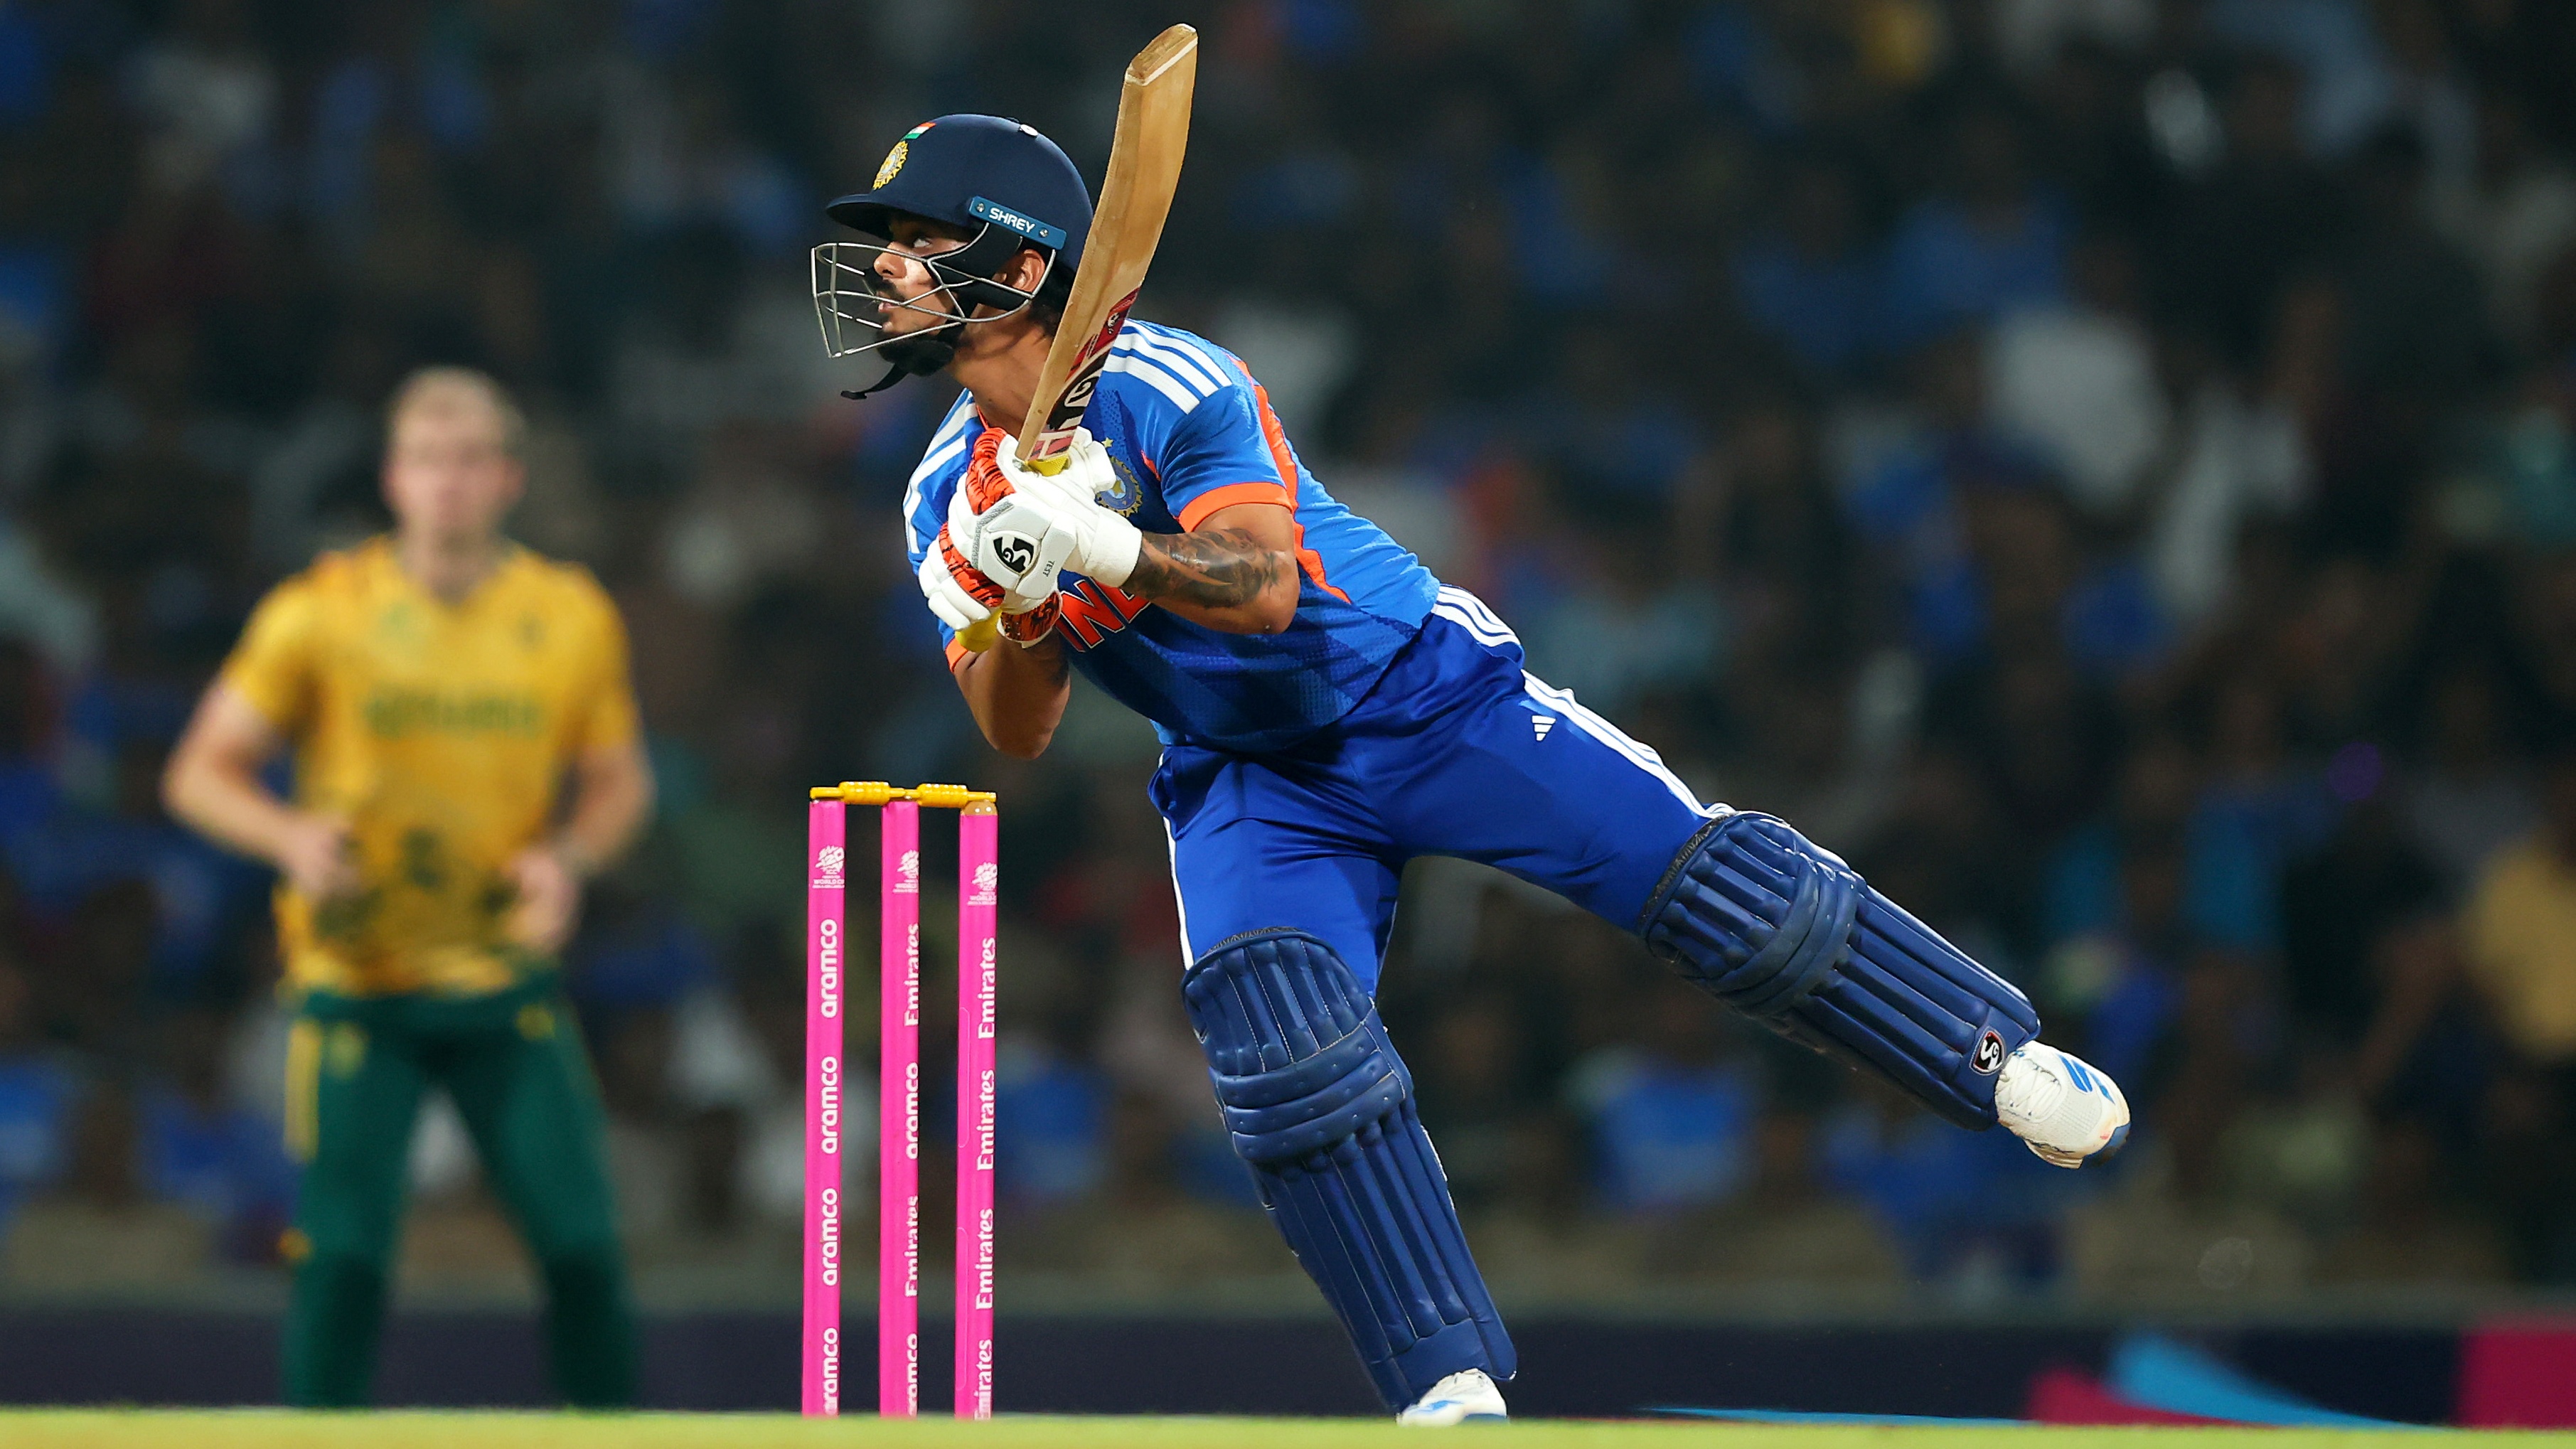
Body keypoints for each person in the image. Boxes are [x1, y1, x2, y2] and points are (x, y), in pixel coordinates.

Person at [812, 114, 2130, 1425]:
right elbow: (1014, 725)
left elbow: (1266, 590)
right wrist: (1021, 587)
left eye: (914, 245)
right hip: (1248, 776)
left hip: (1422, 691)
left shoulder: (1171, 380)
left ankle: (1991, 1051)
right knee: (1281, 1049)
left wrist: (1112, 547)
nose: (883, 274)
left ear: (1021, 265)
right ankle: (1445, 1380)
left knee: (1727, 901)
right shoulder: (943, 493)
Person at [161, 368, 654, 1407]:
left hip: (502, 979)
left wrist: (567, 859)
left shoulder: (569, 616)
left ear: (509, 477)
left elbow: (619, 784)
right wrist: (288, 833)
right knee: (340, 1257)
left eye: (472, 459)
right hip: (358, 978)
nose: (449, 482)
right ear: (393, 477)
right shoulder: (321, 613)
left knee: (584, 1251)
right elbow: (200, 771)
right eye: (428, 459)